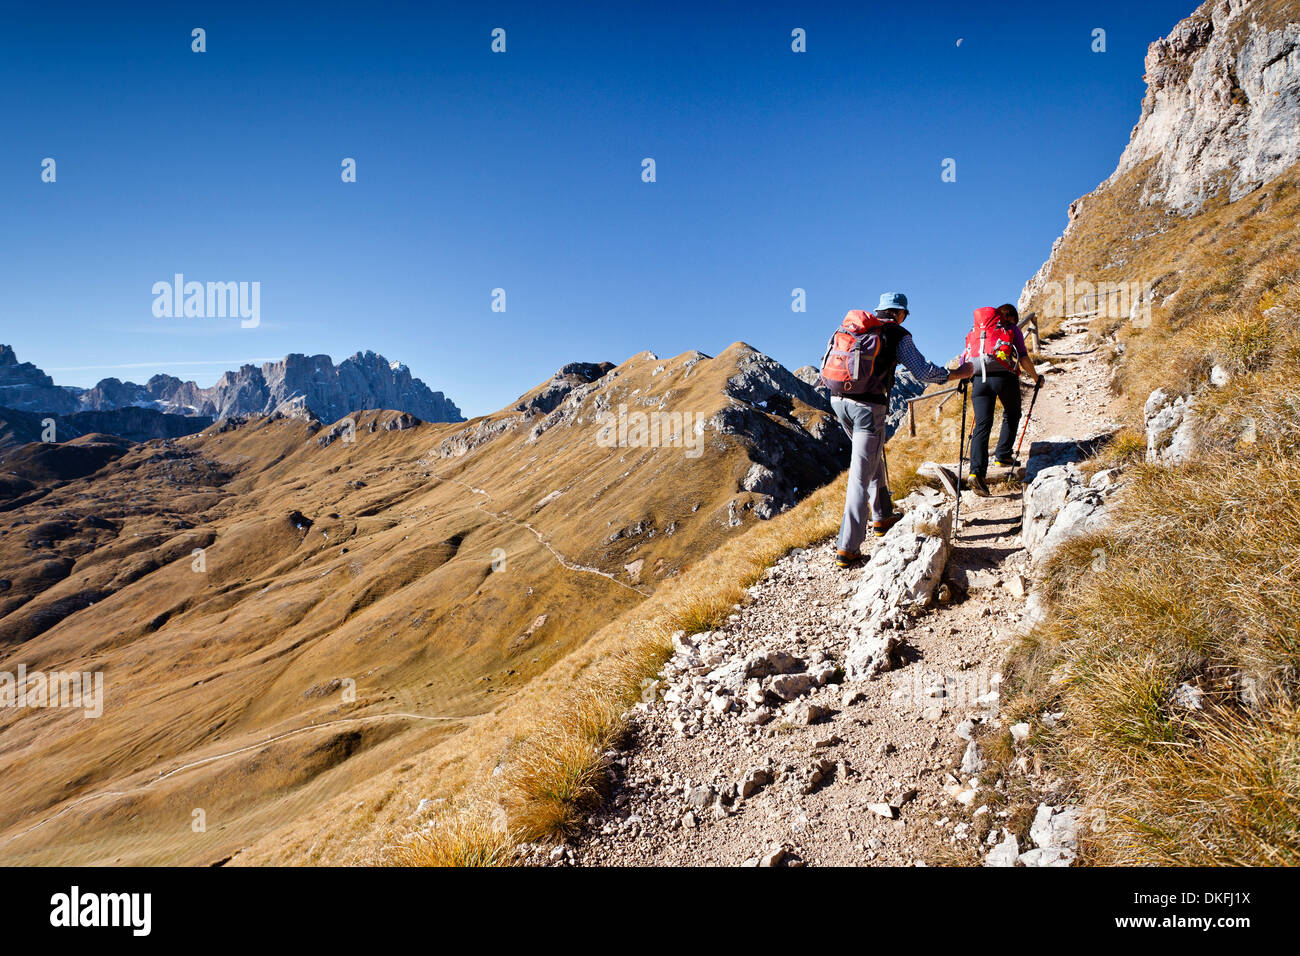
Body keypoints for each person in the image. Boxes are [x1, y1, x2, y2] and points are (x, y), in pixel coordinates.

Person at [825, 292, 973, 568]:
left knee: (871, 458)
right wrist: (958, 372)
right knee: (860, 474)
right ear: (900, 313)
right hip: (868, 407)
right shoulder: (897, 334)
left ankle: (882, 516)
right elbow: (923, 372)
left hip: (837, 401)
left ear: (880, 310)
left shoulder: (854, 329)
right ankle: (847, 548)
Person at [964, 303, 1041, 497]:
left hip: (979, 380)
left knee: (982, 425)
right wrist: (1036, 378)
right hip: (1005, 378)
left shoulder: (976, 332)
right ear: (1013, 317)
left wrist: (965, 380)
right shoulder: (1012, 329)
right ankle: (1003, 455)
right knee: (1013, 413)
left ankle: (976, 472)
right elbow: (1023, 356)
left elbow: (964, 358)